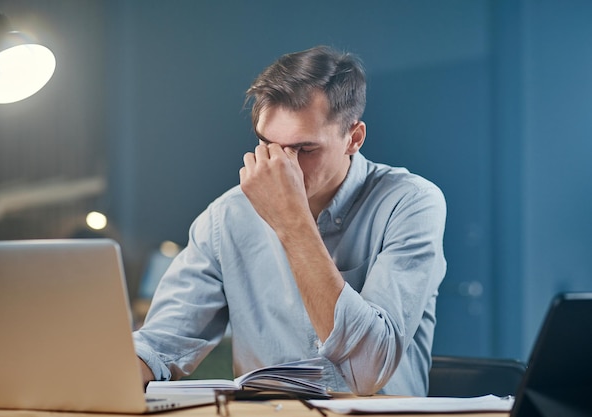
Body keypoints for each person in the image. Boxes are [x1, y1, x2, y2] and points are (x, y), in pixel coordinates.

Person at [133, 45, 446, 396]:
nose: (280, 165)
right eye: (267, 144)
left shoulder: (411, 203)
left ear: (353, 138)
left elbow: (368, 370)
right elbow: (160, 344)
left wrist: (292, 223)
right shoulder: (227, 216)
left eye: (304, 150)